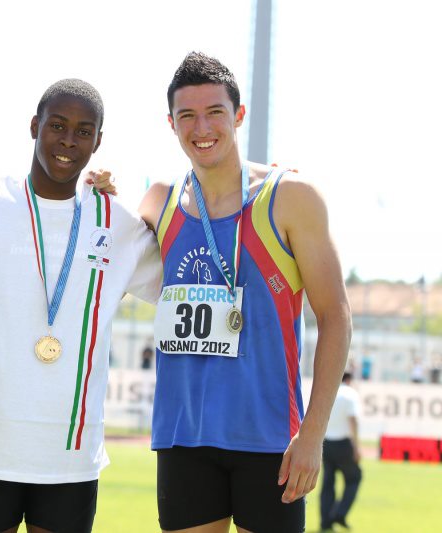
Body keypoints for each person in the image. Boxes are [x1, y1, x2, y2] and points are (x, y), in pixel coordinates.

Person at [0, 79, 162, 533]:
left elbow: (177, 281)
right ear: (34, 126)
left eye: (83, 131)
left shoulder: (117, 223)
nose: (68, 140)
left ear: (98, 142)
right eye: (57, 126)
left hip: (71, 458)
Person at [138, 52, 352, 533]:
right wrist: (99, 191)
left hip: (270, 438)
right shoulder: (159, 201)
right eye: (187, 115)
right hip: (183, 436)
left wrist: (312, 434)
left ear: (238, 114)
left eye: (215, 112)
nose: (201, 128)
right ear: (171, 124)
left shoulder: (291, 198)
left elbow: (336, 317)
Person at [320, 371, 362, 532]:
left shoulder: (330, 392)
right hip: (343, 443)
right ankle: (340, 513)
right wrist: (356, 446)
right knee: (354, 478)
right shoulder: (350, 394)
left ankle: (326, 521)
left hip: (326, 442)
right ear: (349, 380)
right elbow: (353, 419)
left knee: (328, 483)